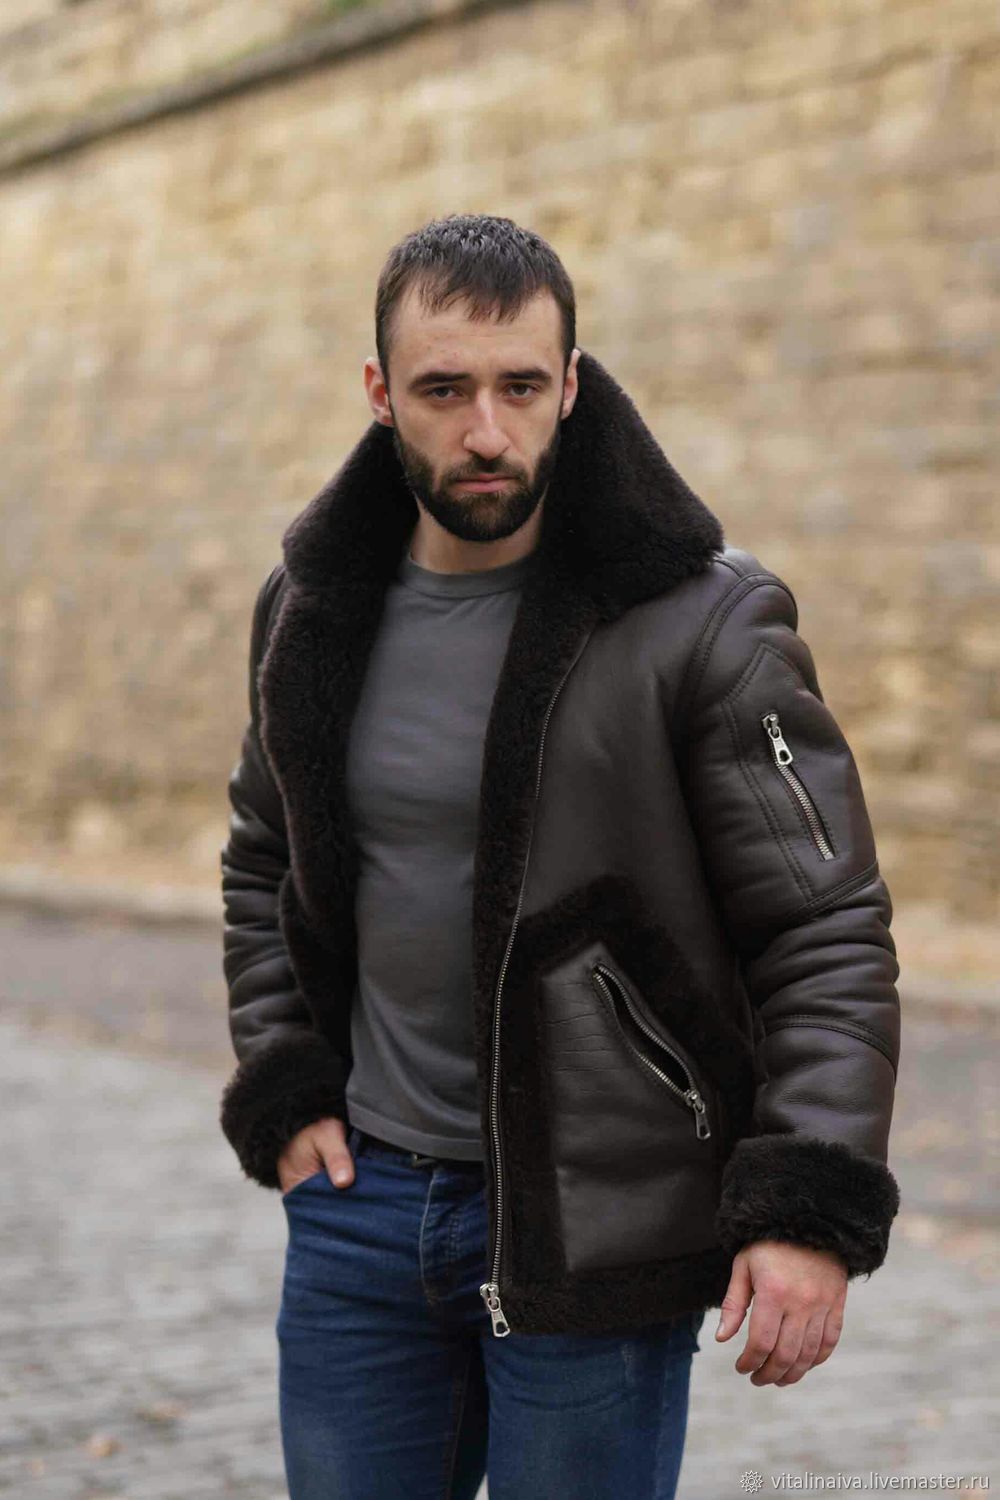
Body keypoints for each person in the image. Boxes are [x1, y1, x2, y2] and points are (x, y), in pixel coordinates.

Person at [218, 214, 901, 1499]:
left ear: (571, 385)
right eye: (443, 390)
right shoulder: (311, 607)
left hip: (598, 1223)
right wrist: (283, 1076)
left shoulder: (702, 619)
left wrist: (806, 1207)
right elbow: (263, 860)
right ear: (379, 393)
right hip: (362, 1215)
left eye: (521, 386)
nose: (487, 431)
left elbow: (822, 926)